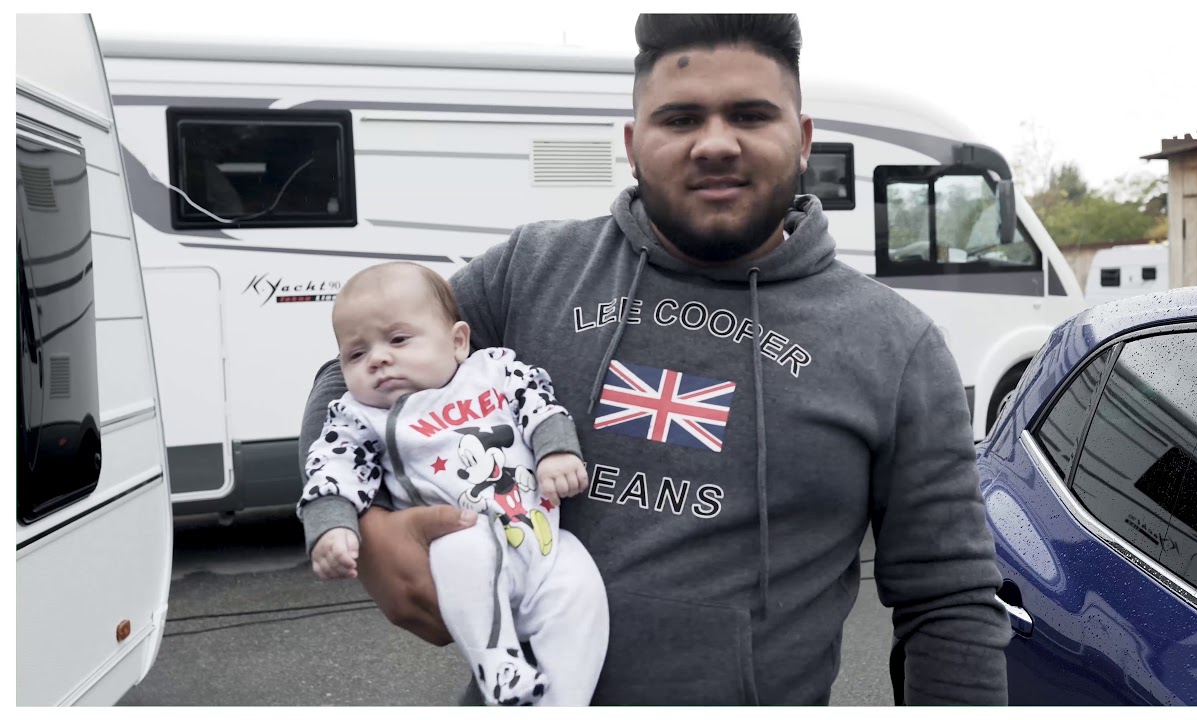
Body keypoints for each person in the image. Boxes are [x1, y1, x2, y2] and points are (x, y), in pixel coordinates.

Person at [299, 14, 1012, 705]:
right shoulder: (533, 269)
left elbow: (948, 600)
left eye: (751, 115)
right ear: (633, 143)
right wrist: (372, 534)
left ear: (802, 140)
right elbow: (345, 379)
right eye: (680, 119)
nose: (716, 144)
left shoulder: (896, 346)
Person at [297, 262, 607, 706]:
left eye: (398, 340)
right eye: (356, 354)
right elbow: (331, 469)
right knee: (465, 543)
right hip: (459, 549)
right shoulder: (359, 417)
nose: (378, 359)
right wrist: (330, 527)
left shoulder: (494, 371)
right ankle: (497, 666)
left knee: (579, 588)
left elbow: (537, 403)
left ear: (458, 341)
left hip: (541, 542)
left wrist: (556, 450)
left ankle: (564, 703)